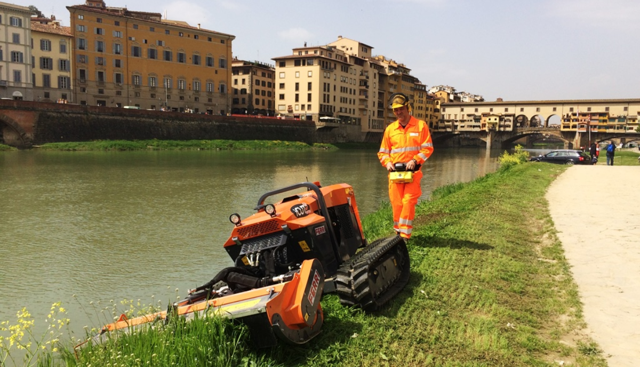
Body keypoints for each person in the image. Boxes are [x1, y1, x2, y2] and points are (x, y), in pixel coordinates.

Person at [378, 93, 434, 241]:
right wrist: (388, 163)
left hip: (412, 173)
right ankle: (398, 232)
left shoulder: (420, 126)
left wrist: (415, 160)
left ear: (408, 108)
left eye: (401, 109)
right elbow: (383, 152)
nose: (398, 112)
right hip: (395, 174)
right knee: (396, 203)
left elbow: (427, 148)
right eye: (396, 110)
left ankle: (405, 235)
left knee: (408, 202)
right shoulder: (390, 129)